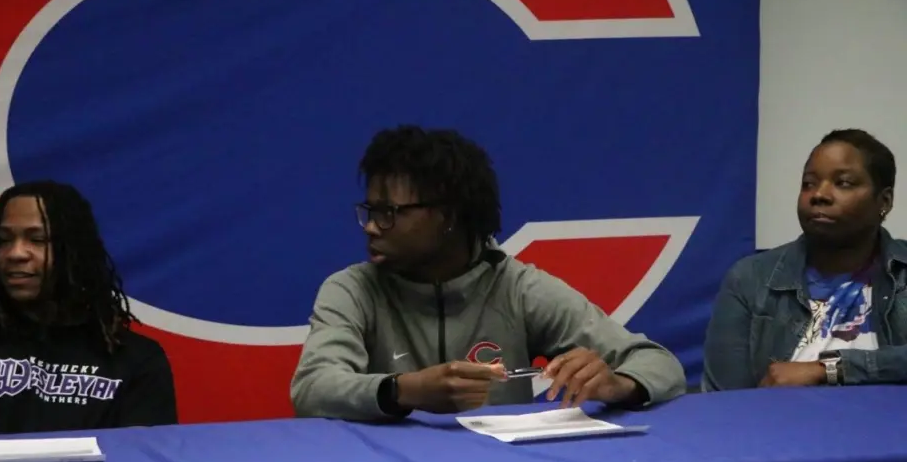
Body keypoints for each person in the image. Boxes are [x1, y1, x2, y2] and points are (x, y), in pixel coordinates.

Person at [290, 125, 686, 420]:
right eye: (370, 211)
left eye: (389, 212)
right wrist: (404, 390)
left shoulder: (518, 288)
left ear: (448, 216)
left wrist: (617, 385)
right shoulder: (351, 289)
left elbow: (659, 364)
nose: (372, 227)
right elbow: (311, 388)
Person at [0, 181, 178, 437]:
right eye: (4, 239)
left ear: (76, 253)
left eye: (37, 240)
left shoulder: (137, 358)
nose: (15, 253)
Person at [703, 128, 906, 391]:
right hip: (777, 419)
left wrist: (828, 369)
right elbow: (724, 399)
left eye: (843, 183)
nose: (819, 194)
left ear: (884, 201)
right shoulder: (750, 279)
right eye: (809, 183)